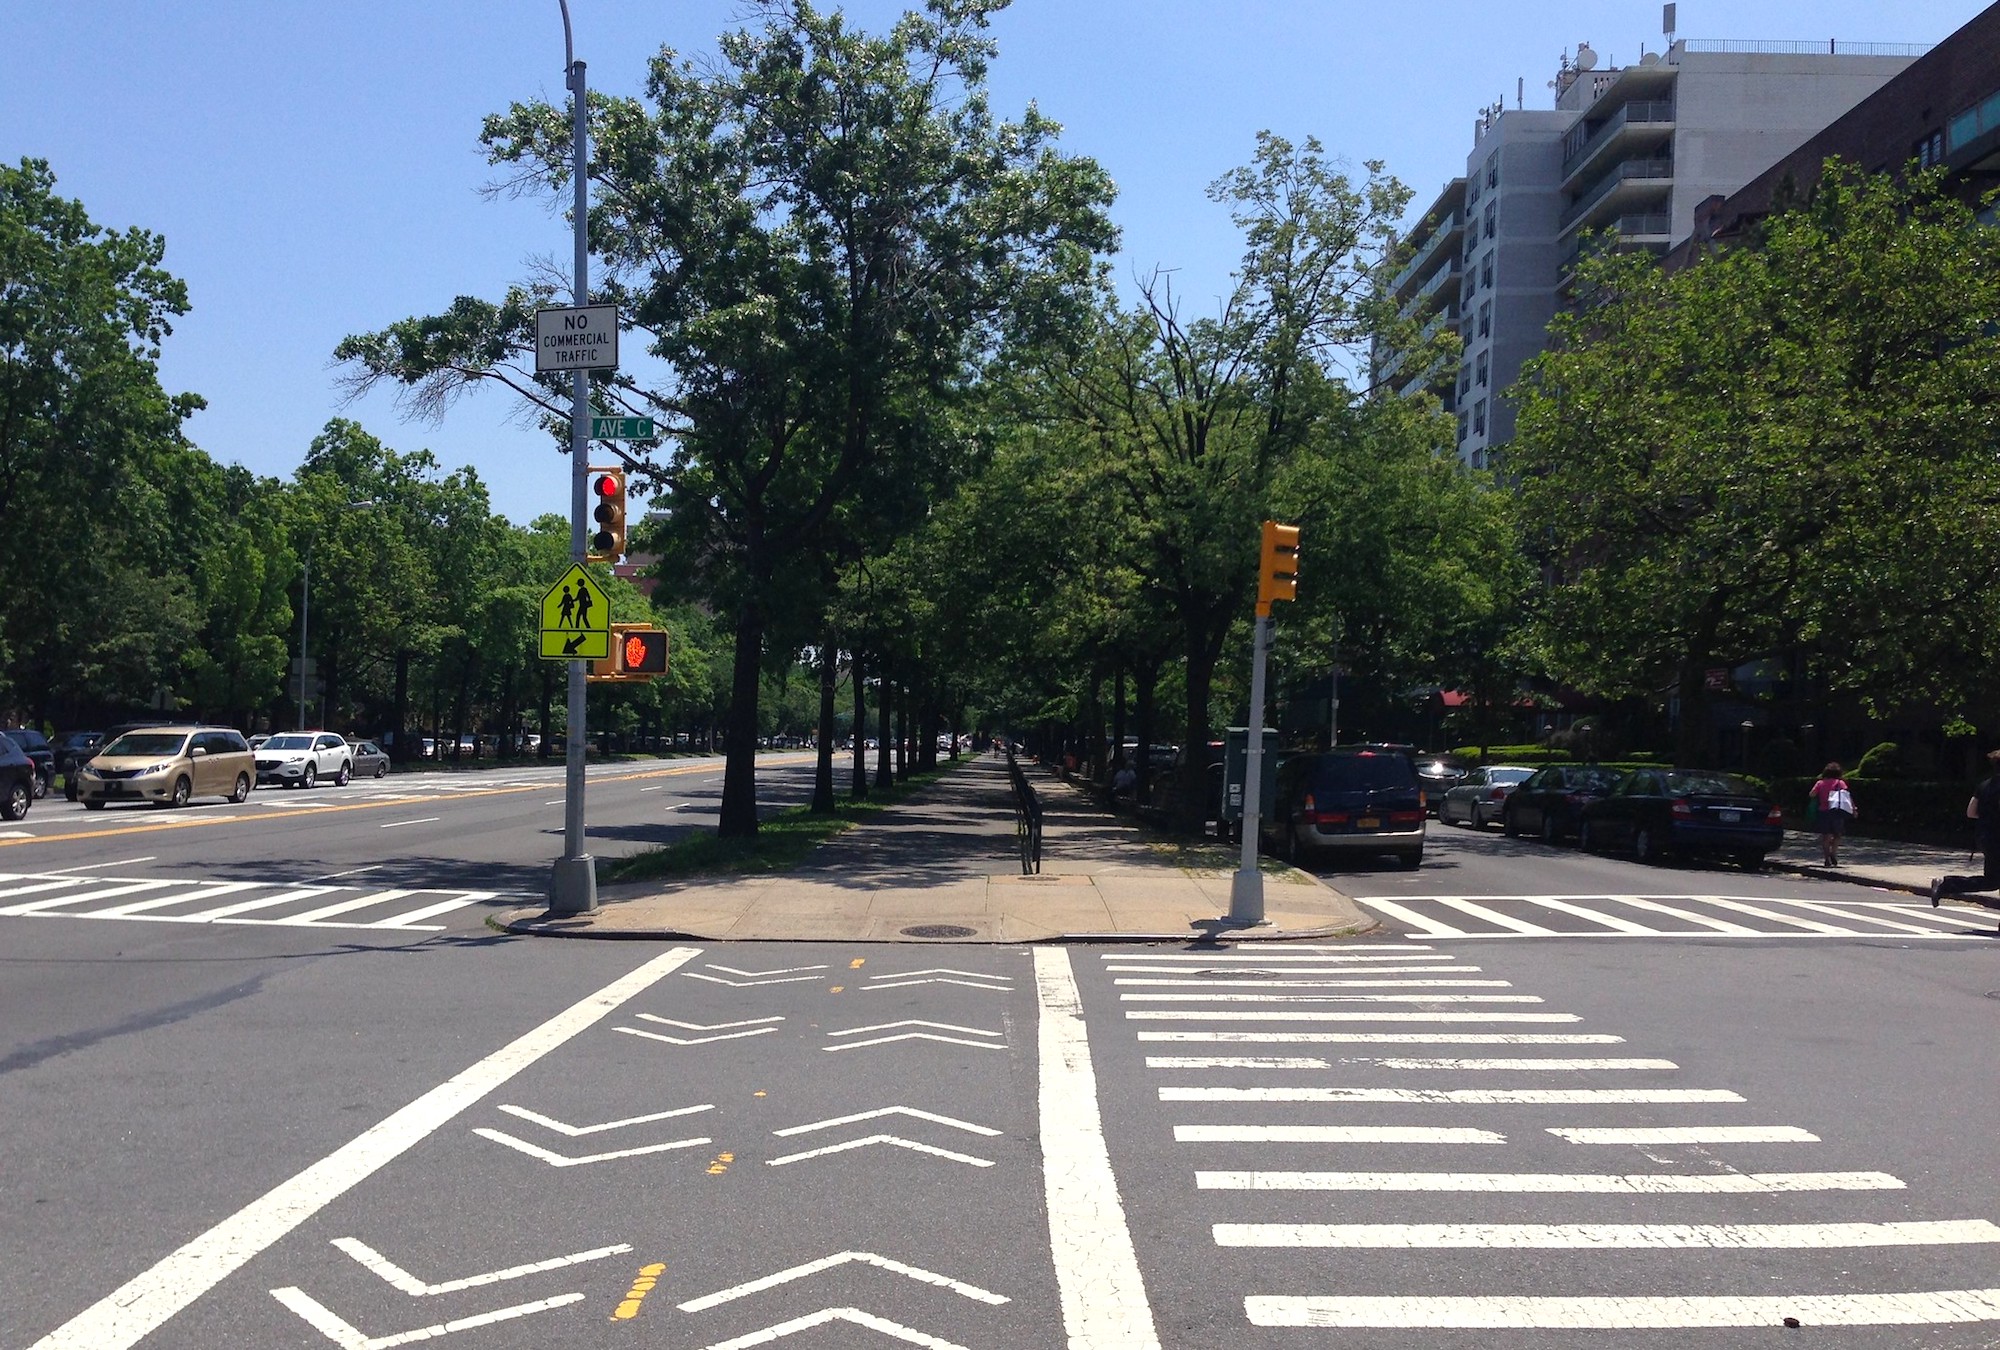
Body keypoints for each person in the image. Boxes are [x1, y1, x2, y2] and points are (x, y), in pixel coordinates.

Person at [1930, 749, 2000, 906]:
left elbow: (1971, 812)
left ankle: (1946, 884)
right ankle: (1945, 884)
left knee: (1992, 881)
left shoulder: (1984, 785)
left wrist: (1989, 817)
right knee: (1993, 880)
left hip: (1985, 838)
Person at [1807, 763, 1854, 867]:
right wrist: (1853, 808)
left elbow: (1812, 794)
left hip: (1823, 812)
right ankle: (1833, 853)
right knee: (1837, 834)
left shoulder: (1820, 783)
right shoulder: (1840, 783)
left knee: (1825, 836)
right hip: (1836, 811)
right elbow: (1847, 796)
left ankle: (1826, 858)